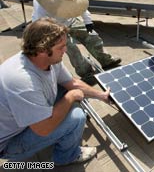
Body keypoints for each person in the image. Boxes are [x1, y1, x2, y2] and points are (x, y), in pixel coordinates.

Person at [0, 18, 110, 165]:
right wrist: (70, 97)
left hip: (24, 120)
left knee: (68, 89)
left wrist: (101, 95)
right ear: (42, 50)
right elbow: (43, 129)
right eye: (61, 47)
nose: (65, 50)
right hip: (9, 143)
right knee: (77, 118)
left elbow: (73, 83)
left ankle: (59, 134)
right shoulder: (23, 81)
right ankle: (67, 156)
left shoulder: (47, 61)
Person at [32, 0, 121, 84]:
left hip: (71, 20)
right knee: (71, 50)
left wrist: (88, 22)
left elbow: (81, 6)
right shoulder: (42, 3)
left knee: (93, 37)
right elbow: (42, 25)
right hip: (52, 27)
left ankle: (106, 60)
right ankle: (86, 72)